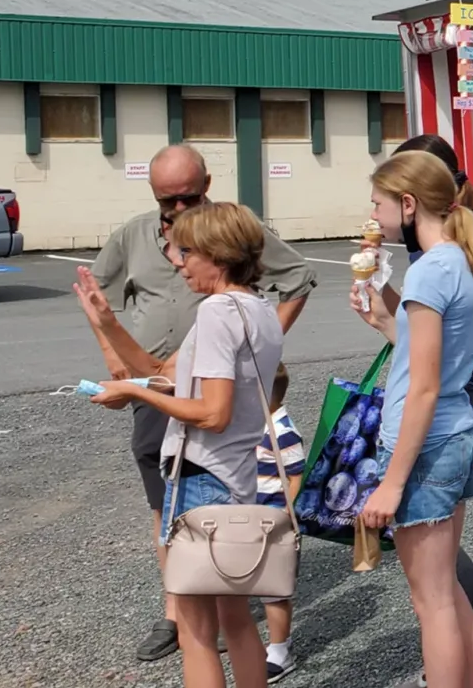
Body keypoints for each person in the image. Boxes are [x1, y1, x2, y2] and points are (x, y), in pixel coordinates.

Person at [87, 145, 315, 664]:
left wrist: (135, 389)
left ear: (218, 252)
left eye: (186, 253)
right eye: (166, 201)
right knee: (230, 614)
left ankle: (185, 603)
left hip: (201, 450)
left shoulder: (218, 312)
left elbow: (211, 413)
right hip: (187, 409)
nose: (177, 260)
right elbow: (166, 372)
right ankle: (185, 605)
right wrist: (114, 341)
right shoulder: (249, 307)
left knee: (199, 631)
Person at [350, 150, 473, 688]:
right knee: (447, 592)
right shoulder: (461, 259)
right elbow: (436, 359)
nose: (373, 214)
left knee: (430, 602)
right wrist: (384, 321)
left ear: (408, 204)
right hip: (457, 434)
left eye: (379, 203)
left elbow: (424, 385)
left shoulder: (428, 272)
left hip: (427, 446)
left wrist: (391, 483)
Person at [391, 135, 473, 688]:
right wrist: (390, 312)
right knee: (439, 573)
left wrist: (389, 482)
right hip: (446, 398)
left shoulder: (458, 239)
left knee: (435, 584)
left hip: (443, 402)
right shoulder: (444, 243)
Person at [255, 368, 305, 683]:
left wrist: (287, 514)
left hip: (274, 520)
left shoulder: (282, 430)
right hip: (251, 518)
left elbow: (296, 476)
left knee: (274, 590)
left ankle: (280, 649)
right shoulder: (254, 425)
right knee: (257, 584)